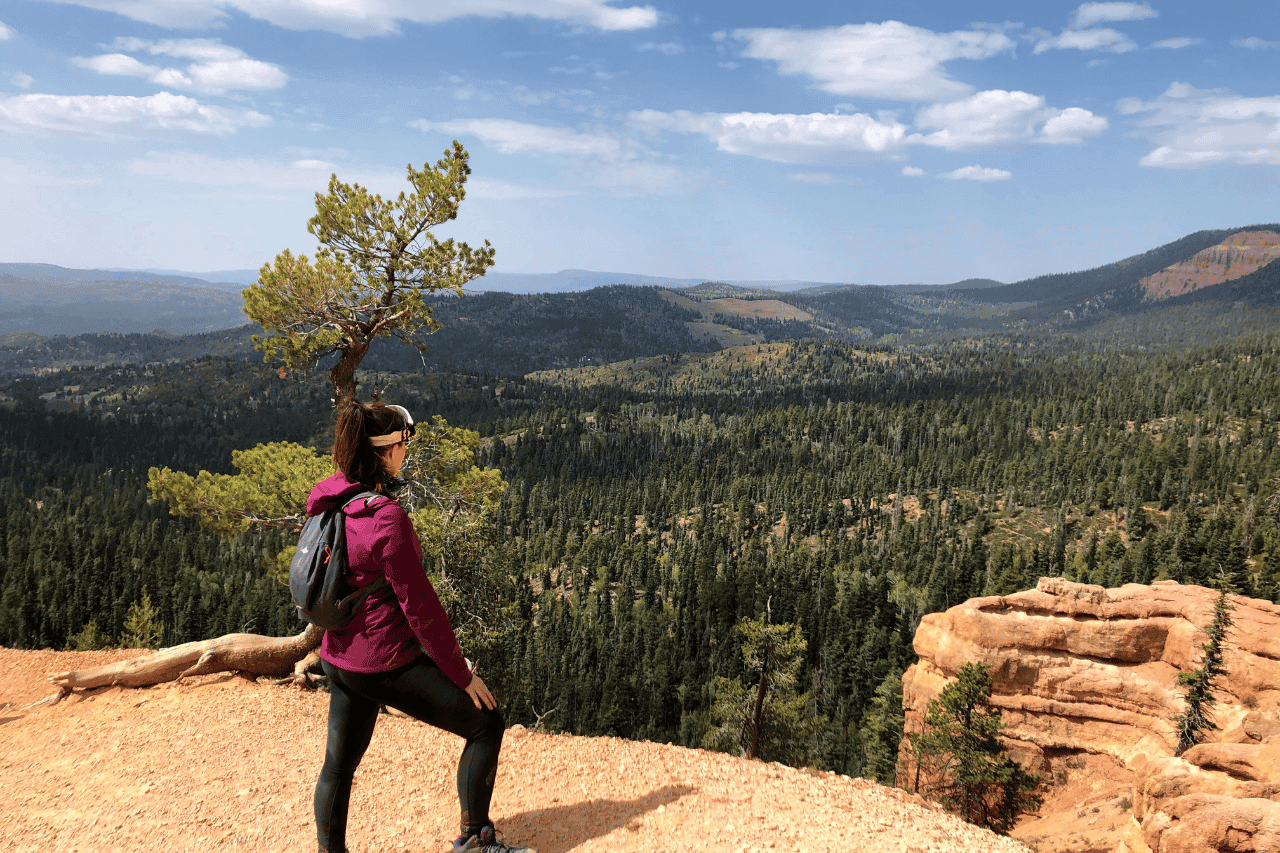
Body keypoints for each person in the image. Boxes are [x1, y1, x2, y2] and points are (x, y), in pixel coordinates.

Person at [309, 398, 532, 853]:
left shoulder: (330, 497)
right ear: (388, 450)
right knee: (486, 724)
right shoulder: (385, 519)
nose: (405, 452)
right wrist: (461, 673)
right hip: (383, 661)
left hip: (338, 656)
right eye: (403, 443)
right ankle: (477, 839)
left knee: (338, 766)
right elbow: (422, 609)